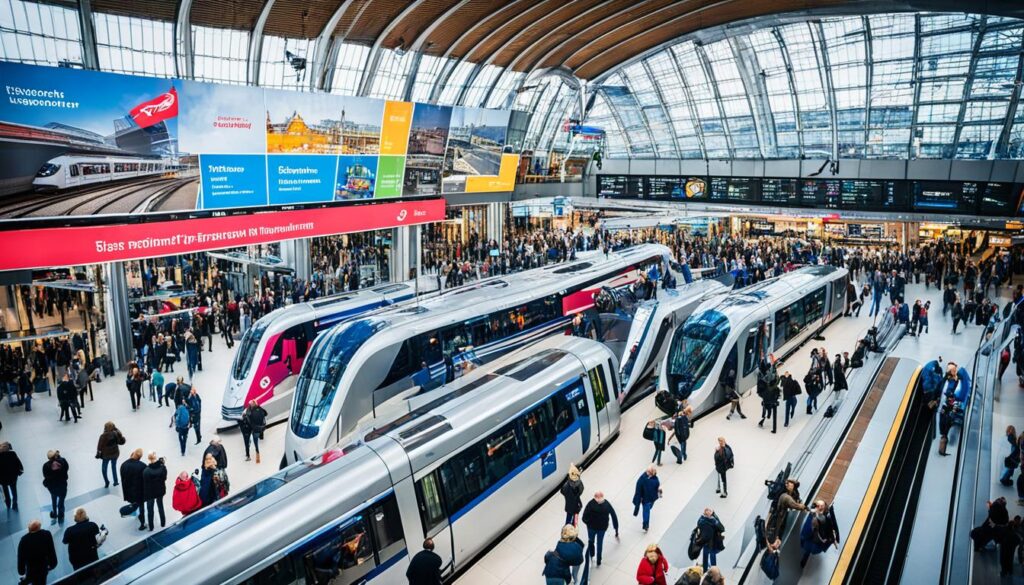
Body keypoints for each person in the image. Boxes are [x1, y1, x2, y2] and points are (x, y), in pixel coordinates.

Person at [581, 491, 619, 567]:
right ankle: (598, 560)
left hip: (591, 528)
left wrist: (588, 523)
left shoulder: (591, 504)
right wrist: (616, 528)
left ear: (595, 497)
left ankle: (591, 554)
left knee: (591, 541)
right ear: (602, 496)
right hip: (602, 528)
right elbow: (614, 516)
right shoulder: (607, 504)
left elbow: (584, 517)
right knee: (600, 543)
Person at [800, 499, 839, 567]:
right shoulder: (817, 516)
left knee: (808, 550)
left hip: (813, 544)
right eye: (819, 505)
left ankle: (805, 558)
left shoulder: (818, 517)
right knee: (808, 550)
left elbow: (805, 532)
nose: (820, 507)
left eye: (821, 505)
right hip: (814, 544)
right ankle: (805, 558)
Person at [17, 519, 57, 585]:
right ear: (39, 527)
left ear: (29, 529)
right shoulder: (46, 534)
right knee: (43, 580)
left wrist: (21, 571)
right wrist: (53, 564)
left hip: (31, 569)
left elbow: (21, 557)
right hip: (44, 567)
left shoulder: (24, 540)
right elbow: (51, 551)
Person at [120, 448, 147, 530]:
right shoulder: (142, 466)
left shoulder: (123, 464)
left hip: (128, 491)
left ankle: (135, 512)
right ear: (140, 457)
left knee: (134, 503)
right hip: (139, 492)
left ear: (132, 454)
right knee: (141, 507)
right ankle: (142, 523)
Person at [141, 451, 167, 531]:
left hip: (150, 493)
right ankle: (163, 523)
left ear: (149, 459)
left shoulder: (146, 471)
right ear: (155, 458)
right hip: (160, 490)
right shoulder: (163, 468)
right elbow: (164, 478)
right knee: (160, 506)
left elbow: (145, 483)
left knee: (150, 510)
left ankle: (151, 527)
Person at [41, 450, 69, 523]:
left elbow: (45, 476)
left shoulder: (46, 466)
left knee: (53, 499)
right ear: (55, 455)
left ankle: (54, 513)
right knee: (61, 501)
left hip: (52, 487)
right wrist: (59, 456)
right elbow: (67, 468)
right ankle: (61, 514)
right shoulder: (62, 461)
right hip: (62, 486)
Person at [632, 465, 662, 532]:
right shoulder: (645, 479)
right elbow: (638, 489)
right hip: (646, 499)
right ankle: (646, 525)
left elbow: (658, 488)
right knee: (646, 512)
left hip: (651, 498)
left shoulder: (653, 480)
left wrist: (659, 494)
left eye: (648, 471)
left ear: (651, 473)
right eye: (646, 471)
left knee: (649, 509)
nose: (646, 472)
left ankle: (646, 524)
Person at [96, 421, 125, 489]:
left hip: (106, 455)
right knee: (114, 467)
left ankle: (106, 481)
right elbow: (121, 442)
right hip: (115, 453)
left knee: (104, 469)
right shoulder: (116, 434)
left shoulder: (103, 436)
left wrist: (98, 454)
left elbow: (99, 447)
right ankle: (115, 481)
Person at [0, 441, 24, 510]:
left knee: (5, 490)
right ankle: (15, 503)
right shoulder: (13, 454)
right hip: (13, 476)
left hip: (2, 478)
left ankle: (8, 503)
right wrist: (18, 472)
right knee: (14, 490)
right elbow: (18, 464)